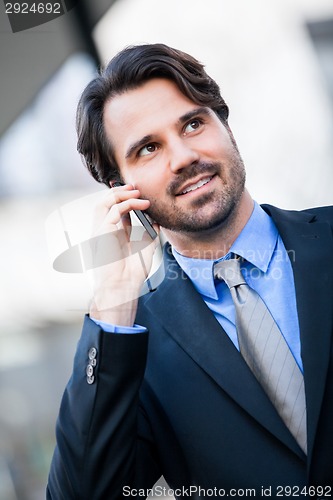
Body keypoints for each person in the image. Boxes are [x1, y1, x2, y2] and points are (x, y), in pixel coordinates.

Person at [47, 43, 333, 499]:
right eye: (148, 148)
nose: (182, 157)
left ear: (227, 127)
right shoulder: (133, 343)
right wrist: (114, 300)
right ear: (123, 190)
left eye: (193, 124)